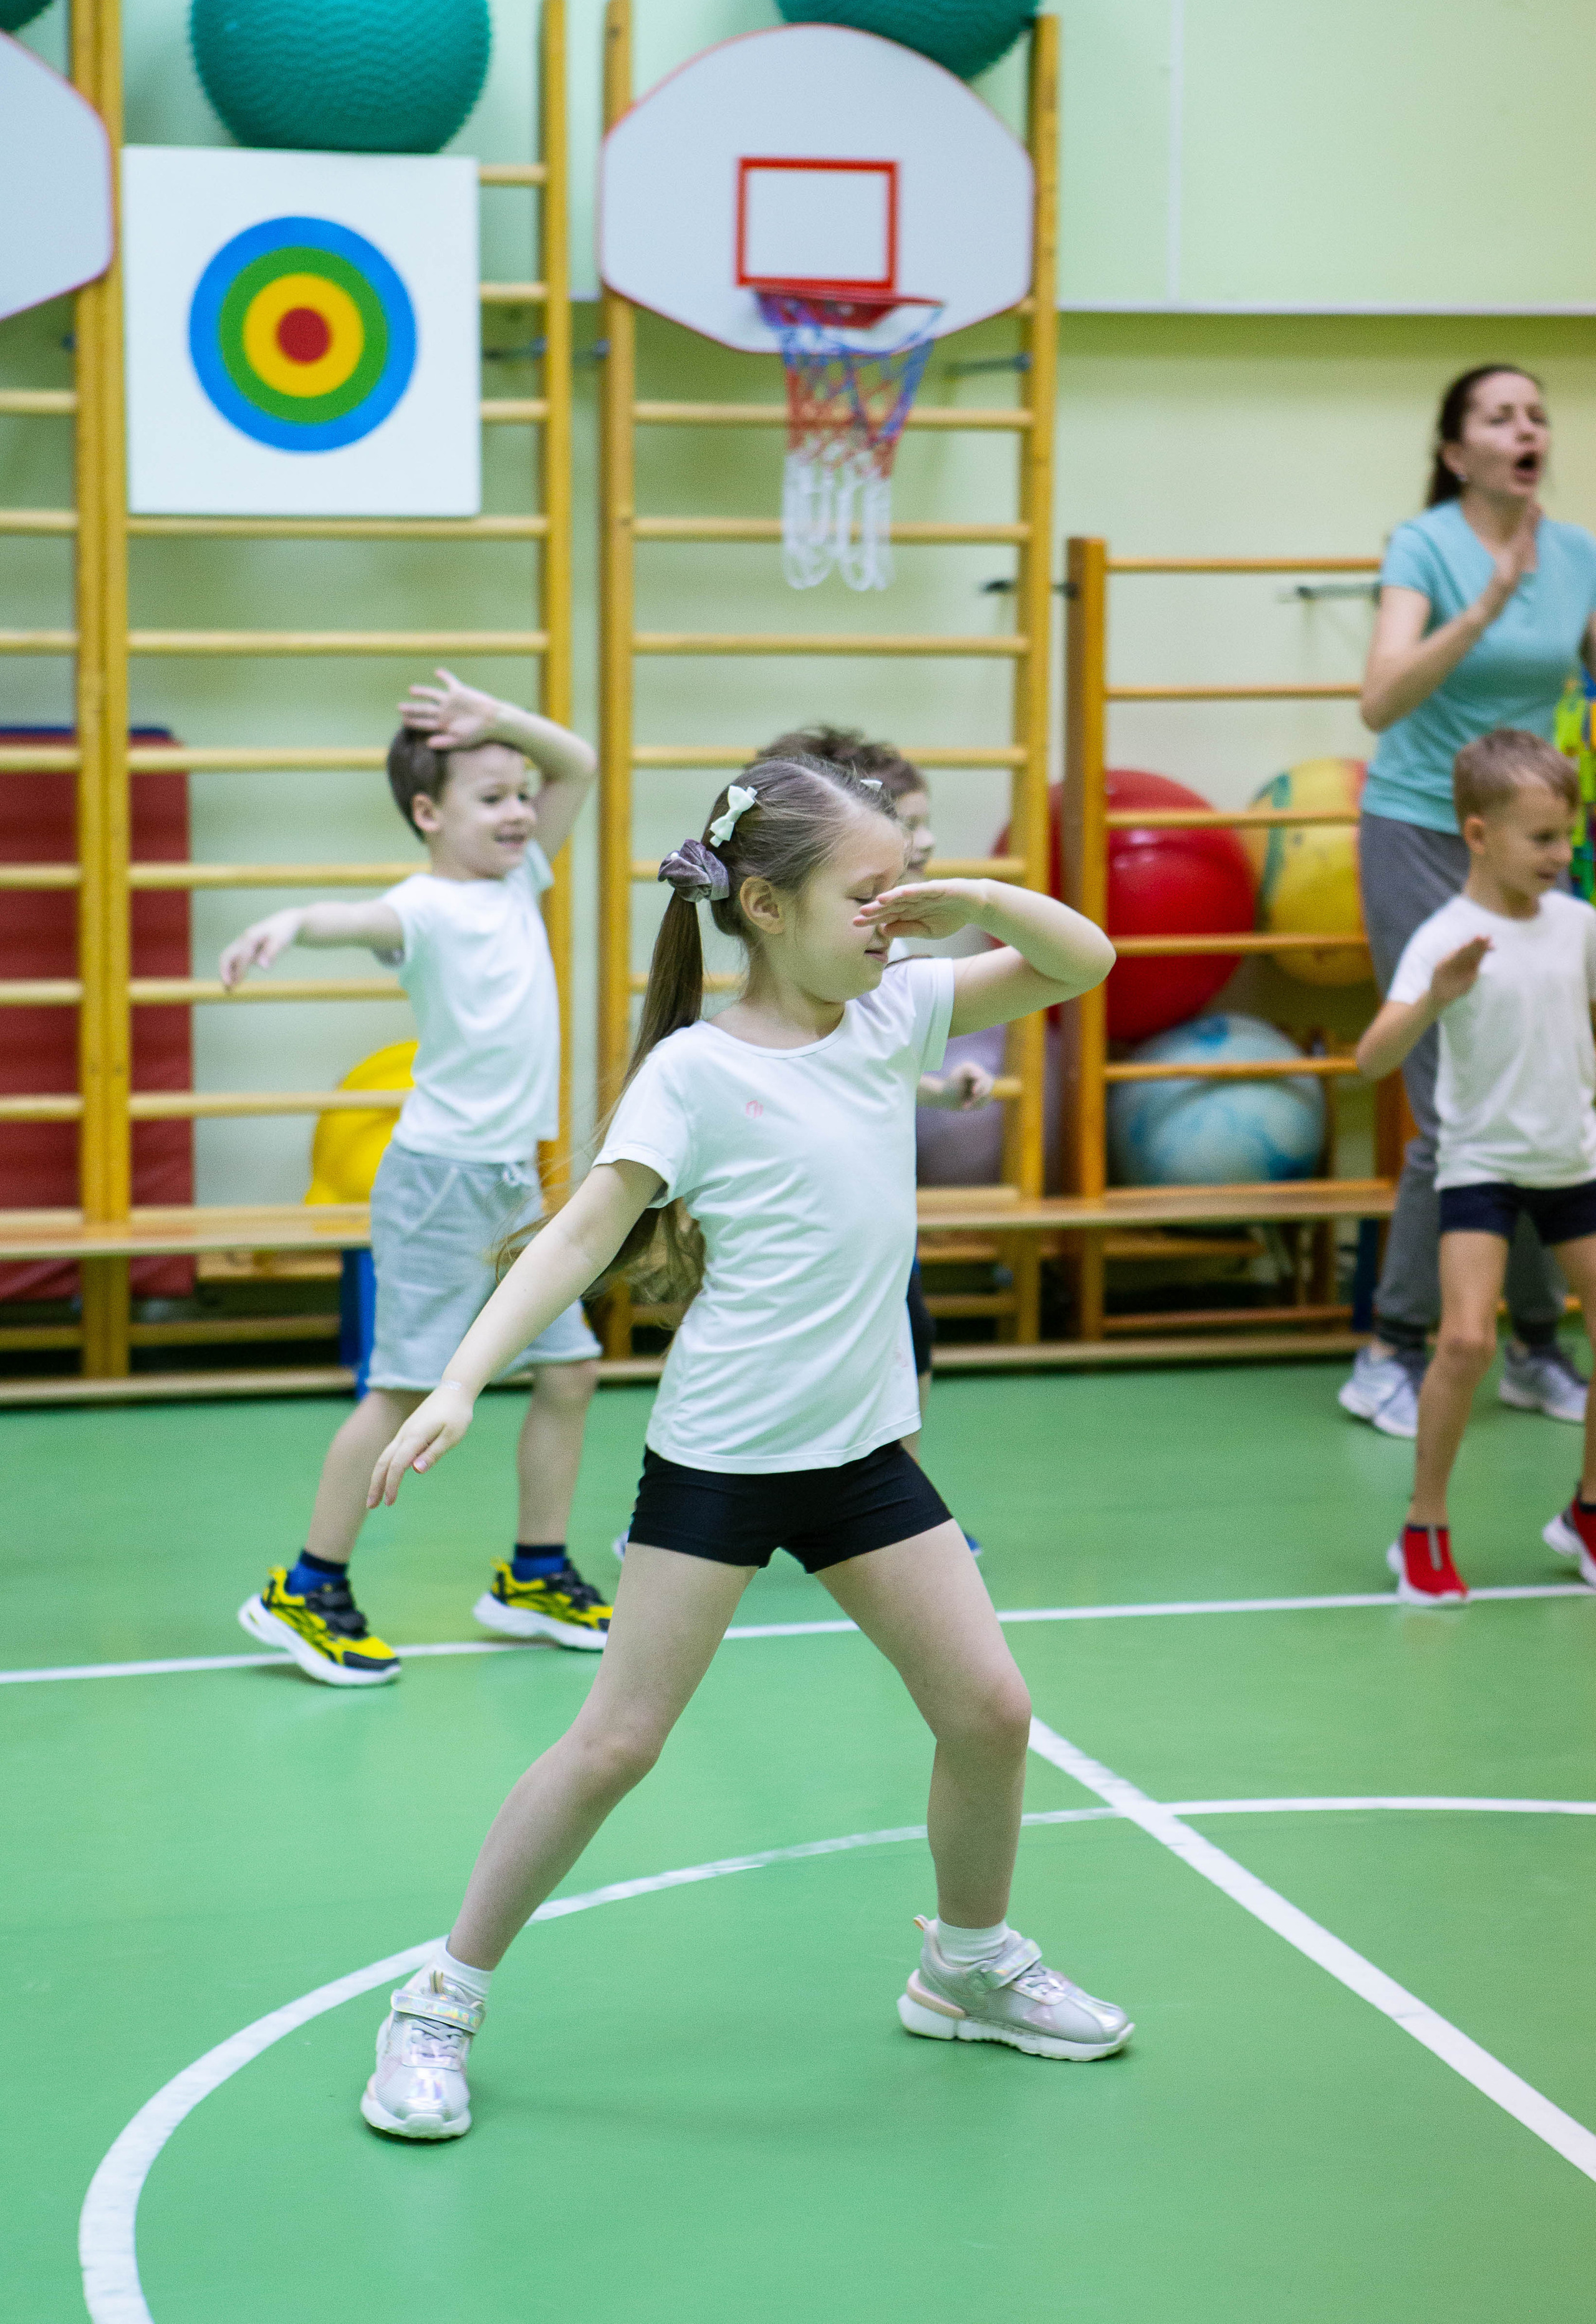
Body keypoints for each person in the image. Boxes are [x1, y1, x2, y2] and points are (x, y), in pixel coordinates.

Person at [355, 757, 1130, 2140]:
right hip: (721, 1463)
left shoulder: (896, 1006)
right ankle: (437, 2001)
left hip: (862, 1458)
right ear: (765, 909)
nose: (891, 914)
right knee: (616, 1745)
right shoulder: (696, 1072)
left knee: (990, 1715)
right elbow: (582, 1234)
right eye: (865, 892)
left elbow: (1084, 960)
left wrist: (966, 895)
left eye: (900, 886)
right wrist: (461, 1379)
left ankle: (966, 1967)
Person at [221, 671, 610, 1688]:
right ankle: (308, 1589)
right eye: (492, 797)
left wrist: (499, 723)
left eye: (521, 793)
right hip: (440, 1185)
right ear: (430, 814)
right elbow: (353, 919)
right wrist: (290, 924)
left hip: (513, 1184)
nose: (520, 811)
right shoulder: (425, 906)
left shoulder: (521, 878)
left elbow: (580, 763)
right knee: (401, 1391)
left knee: (569, 1373)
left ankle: (535, 1575)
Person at [1342, 364, 1596, 1441]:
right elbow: (1379, 699)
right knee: (1456, 1107)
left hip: (1529, 843)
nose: (1526, 429)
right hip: (1420, 831)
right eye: (1500, 416)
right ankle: (1392, 1351)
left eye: (1536, 414)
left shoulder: (1577, 554)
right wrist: (1487, 602)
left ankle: (1534, 1345)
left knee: (1546, 1092)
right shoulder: (1426, 547)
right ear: (1457, 453)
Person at [1356, 729, 1596, 1604]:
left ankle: (1587, 1512)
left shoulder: (1578, 925)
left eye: (1568, 835)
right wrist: (1435, 998)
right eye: (1542, 838)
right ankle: (1422, 1527)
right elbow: (1372, 1061)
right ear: (1478, 835)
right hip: (1481, 1165)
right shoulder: (1444, 939)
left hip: (1571, 1159)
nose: (1560, 854)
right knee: (1464, 1341)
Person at [757, 727, 994, 1465]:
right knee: (789, 1362)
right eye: (910, 822)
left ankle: (899, 1500)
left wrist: (937, 1091)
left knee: (909, 1348)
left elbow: (864, 1066)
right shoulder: (826, 955)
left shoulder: (893, 943)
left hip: (881, 1207)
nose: (928, 839)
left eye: (925, 822)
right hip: (816, 1210)